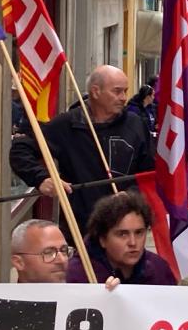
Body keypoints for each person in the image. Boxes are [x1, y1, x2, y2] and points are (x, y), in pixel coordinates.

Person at [10, 64, 154, 235]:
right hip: (81, 230)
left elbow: (150, 173)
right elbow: (20, 149)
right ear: (95, 91)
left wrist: (132, 195)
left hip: (126, 226)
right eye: (117, 91)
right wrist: (41, 178)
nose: (124, 97)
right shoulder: (67, 124)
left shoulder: (136, 124)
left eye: (125, 90)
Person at [66, 191, 178, 286]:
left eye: (139, 233)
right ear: (102, 239)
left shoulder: (159, 269)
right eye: (122, 234)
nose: (133, 242)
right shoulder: (76, 274)